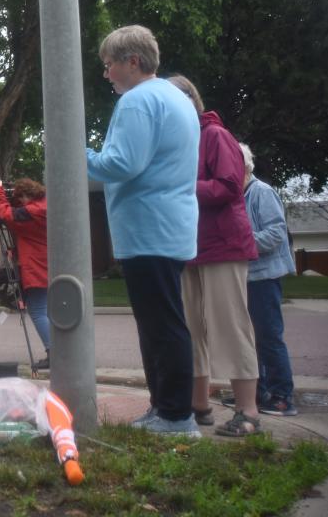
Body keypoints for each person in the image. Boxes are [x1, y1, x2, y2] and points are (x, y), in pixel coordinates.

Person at [86, 26, 202, 438]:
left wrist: (73, 152)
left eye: (109, 64)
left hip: (148, 229)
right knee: (162, 322)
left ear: (132, 62)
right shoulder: (176, 97)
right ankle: (166, 409)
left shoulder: (139, 100)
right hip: (169, 227)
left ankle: (175, 416)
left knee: (162, 326)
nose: (106, 74)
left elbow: (121, 163)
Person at [168, 75, 261, 438]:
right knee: (190, 329)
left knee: (230, 325)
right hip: (188, 248)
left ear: (190, 100)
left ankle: (248, 411)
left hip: (222, 245)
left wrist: (177, 188)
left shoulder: (216, 136)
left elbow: (227, 186)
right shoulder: (179, 143)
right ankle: (199, 405)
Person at [239, 142, 298, 417]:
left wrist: (241, 243)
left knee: (269, 336)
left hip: (264, 277)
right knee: (249, 337)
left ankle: (282, 395)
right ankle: (258, 391)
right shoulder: (238, 195)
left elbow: (276, 233)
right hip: (245, 277)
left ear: (244, 165)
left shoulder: (261, 193)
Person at [0, 178, 50, 368]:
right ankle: (57, 350)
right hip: (45, 264)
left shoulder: (32, 211)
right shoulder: (44, 205)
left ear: (27, 196)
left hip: (37, 266)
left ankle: (54, 352)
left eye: (20, 198)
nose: (21, 202)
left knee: (38, 310)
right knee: (44, 309)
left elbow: (6, 214)